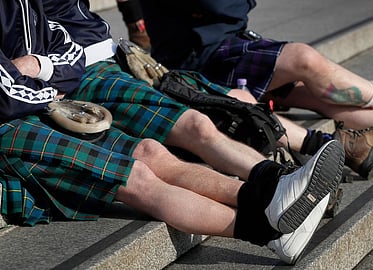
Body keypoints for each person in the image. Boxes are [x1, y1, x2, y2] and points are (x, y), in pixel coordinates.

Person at [0, 0, 345, 264]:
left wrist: (39, 67)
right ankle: (269, 227)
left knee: (153, 151)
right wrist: (47, 88)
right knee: (137, 177)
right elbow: (6, 96)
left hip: (52, 94)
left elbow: (65, 50)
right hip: (18, 120)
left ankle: (272, 192)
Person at [41, 0, 373, 180]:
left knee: (253, 94)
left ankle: (343, 144)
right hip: (186, 54)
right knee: (223, 106)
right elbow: (221, 7)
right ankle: (294, 175)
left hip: (117, 57)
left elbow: (235, 9)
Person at [140, 0, 373, 154]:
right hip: (198, 62)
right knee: (304, 59)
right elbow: (222, 7)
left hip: (225, 47)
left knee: (314, 91)